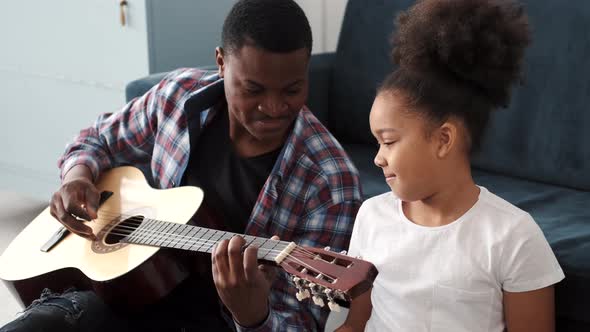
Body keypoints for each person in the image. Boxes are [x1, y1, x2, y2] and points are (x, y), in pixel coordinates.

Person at [0, 0, 362, 331]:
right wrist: (77, 177)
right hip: (117, 291)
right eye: (253, 90)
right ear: (221, 63)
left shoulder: (331, 181)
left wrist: (252, 314)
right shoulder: (177, 95)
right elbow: (96, 138)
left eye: (292, 90)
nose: (273, 107)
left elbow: (300, 324)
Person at [336, 0, 564, 331]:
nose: (377, 157)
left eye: (388, 141)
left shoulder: (513, 236)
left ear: (443, 140)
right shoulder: (371, 217)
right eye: (376, 143)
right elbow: (355, 324)